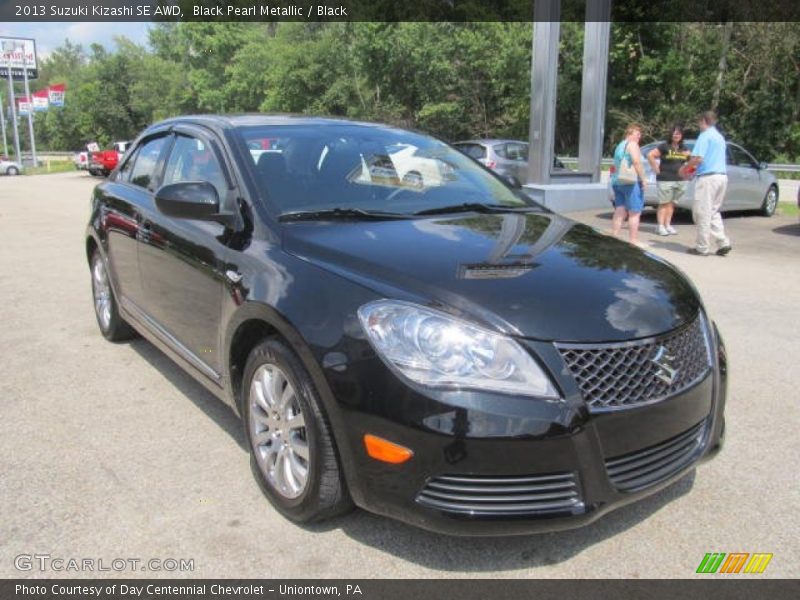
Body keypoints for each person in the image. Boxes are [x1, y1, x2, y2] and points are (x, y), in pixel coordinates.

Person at [683, 111, 732, 256]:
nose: (698, 125)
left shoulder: (705, 136)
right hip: (721, 177)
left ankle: (702, 247)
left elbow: (698, 158)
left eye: (699, 122)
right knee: (713, 211)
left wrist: (686, 167)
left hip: (708, 178)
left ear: (704, 121)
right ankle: (723, 242)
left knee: (702, 212)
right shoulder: (719, 137)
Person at [647, 124, 690, 236]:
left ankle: (667, 225)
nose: (676, 135)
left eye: (679, 133)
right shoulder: (664, 146)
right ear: (671, 134)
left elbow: (691, 161)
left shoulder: (684, 148)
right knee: (664, 203)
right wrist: (656, 169)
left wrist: (687, 172)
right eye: (674, 133)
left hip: (679, 180)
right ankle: (660, 226)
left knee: (671, 204)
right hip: (665, 179)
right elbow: (650, 155)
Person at [611, 123, 647, 246]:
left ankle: (614, 235)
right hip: (630, 182)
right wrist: (643, 179)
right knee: (635, 212)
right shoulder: (632, 145)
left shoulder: (619, 146)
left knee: (620, 209)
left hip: (617, 181)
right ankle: (633, 240)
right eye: (637, 134)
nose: (639, 137)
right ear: (629, 133)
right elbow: (637, 163)